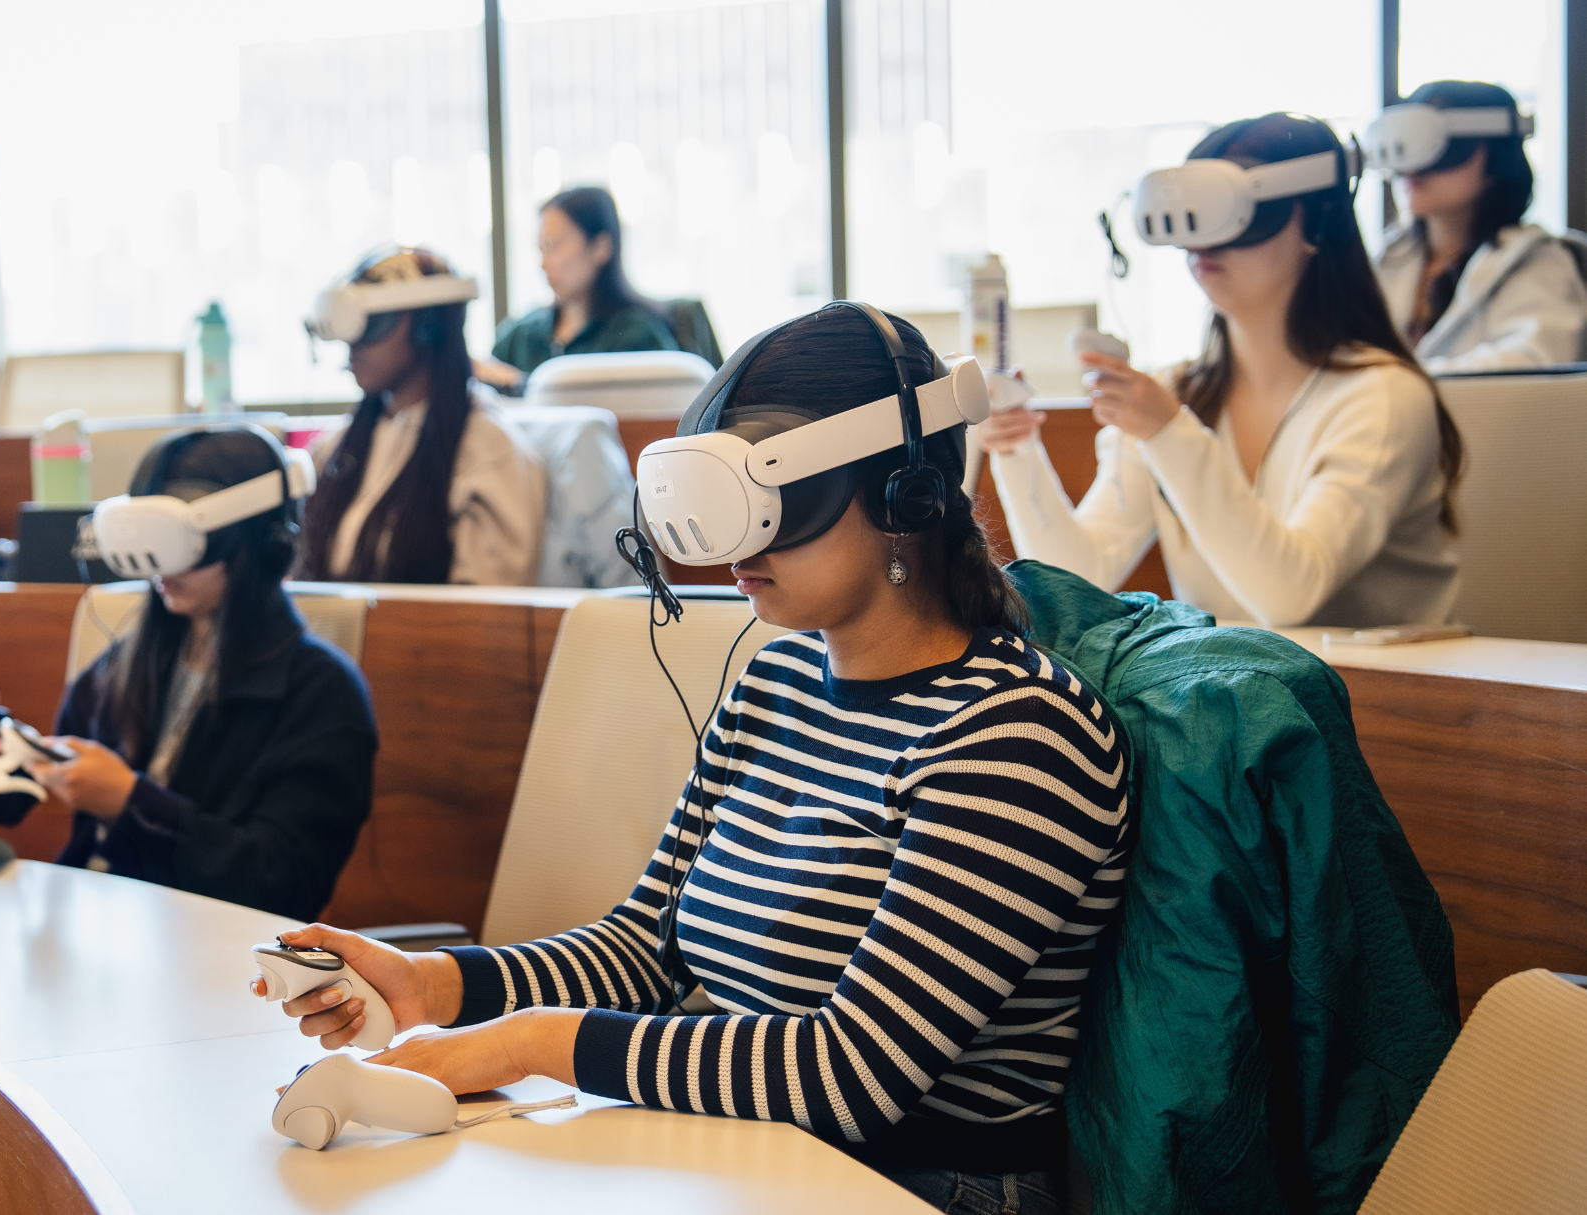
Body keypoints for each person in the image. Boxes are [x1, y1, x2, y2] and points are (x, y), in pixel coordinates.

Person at [263, 307, 1130, 1215]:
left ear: (904, 492)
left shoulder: (1018, 738)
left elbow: (850, 1074)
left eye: (775, 505)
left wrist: (526, 1043)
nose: (736, 549)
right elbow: (648, 945)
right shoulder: (777, 679)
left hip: (917, 1184)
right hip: (735, 1156)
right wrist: (438, 985)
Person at [980, 113, 1464, 628]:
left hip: (1384, 697)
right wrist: (1016, 451)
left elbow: (1288, 596)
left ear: (1317, 222)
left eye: (1234, 214)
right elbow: (1075, 577)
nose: (1203, 244)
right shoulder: (1174, 393)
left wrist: (1168, 433)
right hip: (1225, 696)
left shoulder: (1385, 398)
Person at [0, 424, 377, 921]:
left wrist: (129, 801)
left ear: (268, 542)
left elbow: (282, 886)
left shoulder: (322, 693)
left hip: (212, 954)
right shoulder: (130, 660)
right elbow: (22, 799)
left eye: (184, 543)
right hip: (97, 926)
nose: (161, 566)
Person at [300, 247, 548, 586]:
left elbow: (487, 617)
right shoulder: (332, 450)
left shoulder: (489, 454)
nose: (353, 345)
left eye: (372, 324)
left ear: (427, 326)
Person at [1370, 80, 1587, 371]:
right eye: (1406, 148)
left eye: (1441, 148)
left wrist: (1390, 384)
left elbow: (1532, 364)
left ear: (1498, 158)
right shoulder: (1387, 258)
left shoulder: (1536, 260)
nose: (1413, 170)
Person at [478, 185, 680, 391]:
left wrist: (522, 384)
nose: (543, 263)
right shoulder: (522, 334)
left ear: (601, 247)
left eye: (553, 246)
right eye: (541, 249)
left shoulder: (638, 334)